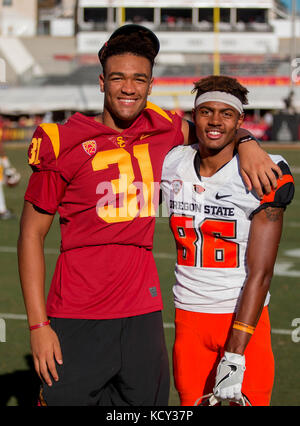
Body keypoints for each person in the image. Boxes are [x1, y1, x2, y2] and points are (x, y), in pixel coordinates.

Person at [18, 25, 282, 406]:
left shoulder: (164, 129)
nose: (129, 88)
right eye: (118, 78)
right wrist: (38, 326)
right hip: (77, 311)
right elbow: (29, 236)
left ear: (151, 84)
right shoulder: (63, 141)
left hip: (144, 316)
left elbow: (215, 130)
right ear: (101, 81)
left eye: (139, 79)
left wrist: (248, 142)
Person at [160, 75, 295, 406]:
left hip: (242, 321)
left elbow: (260, 273)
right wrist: (247, 141)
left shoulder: (262, 173)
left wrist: (235, 353)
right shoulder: (171, 164)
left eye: (226, 113)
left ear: (240, 119)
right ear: (194, 115)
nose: (215, 121)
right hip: (187, 319)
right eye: (206, 111)